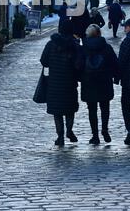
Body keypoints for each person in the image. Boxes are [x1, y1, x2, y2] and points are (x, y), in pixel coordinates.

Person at [40, 19, 81, 147]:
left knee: (57, 111)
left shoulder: (51, 44)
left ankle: (60, 136)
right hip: (69, 82)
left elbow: (44, 61)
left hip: (54, 83)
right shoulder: (75, 45)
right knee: (70, 109)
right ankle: (69, 130)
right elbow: (79, 64)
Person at [80, 24, 119, 144]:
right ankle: (105, 129)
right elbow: (115, 63)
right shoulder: (106, 47)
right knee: (105, 108)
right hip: (104, 81)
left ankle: (95, 135)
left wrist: (79, 78)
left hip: (88, 81)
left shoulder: (83, 48)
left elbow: (79, 65)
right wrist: (116, 77)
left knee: (92, 110)